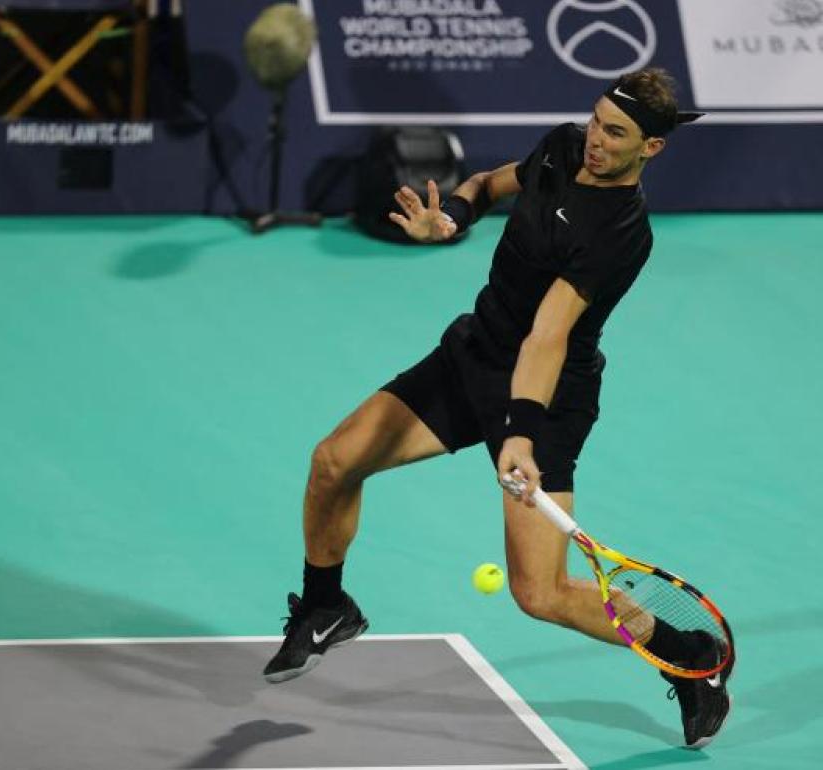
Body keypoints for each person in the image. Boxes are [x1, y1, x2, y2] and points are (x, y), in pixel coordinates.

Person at [262, 67, 731, 747]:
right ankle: (326, 604)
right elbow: (484, 187)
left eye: (617, 133)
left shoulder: (621, 233)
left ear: (651, 149)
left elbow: (548, 336)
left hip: (548, 399)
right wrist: (448, 218)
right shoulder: (565, 147)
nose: (597, 139)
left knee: (540, 593)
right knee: (335, 461)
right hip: (473, 357)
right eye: (598, 120)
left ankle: (687, 656)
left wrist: (519, 434)